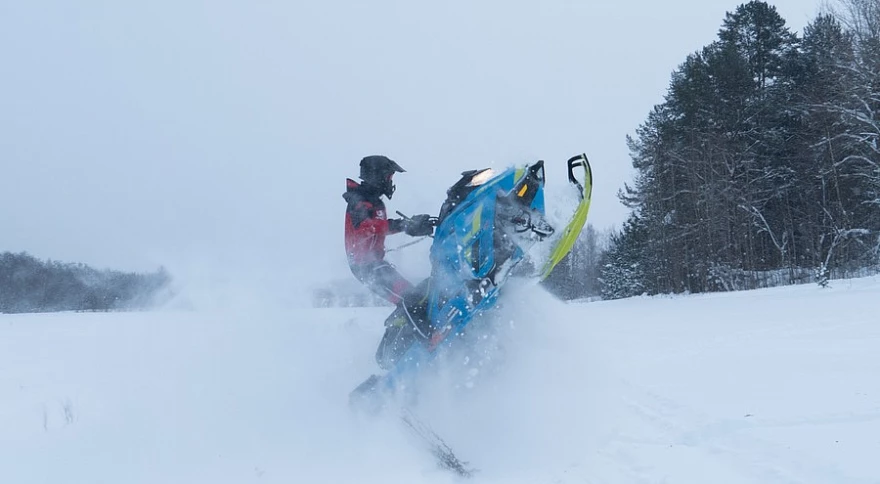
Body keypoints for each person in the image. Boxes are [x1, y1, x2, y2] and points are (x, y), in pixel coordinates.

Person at [343, 155, 435, 306]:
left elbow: (380, 225)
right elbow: (367, 228)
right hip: (366, 268)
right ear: (377, 177)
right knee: (411, 301)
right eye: (388, 177)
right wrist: (405, 226)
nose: (390, 182)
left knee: (417, 297)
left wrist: (410, 223)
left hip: (376, 265)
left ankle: (427, 326)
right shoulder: (358, 201)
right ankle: (410, 328)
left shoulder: (373, 201)